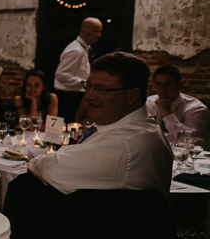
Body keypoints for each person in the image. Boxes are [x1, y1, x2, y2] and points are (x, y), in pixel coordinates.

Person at [29, 52, 172, 199]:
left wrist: (32, 161)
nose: (89, 95)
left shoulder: (121, 144)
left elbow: (50, 168)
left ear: (132, 95)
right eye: (89, 86)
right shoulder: (142, 126)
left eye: (102, 89)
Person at [146, 65, 209, 146]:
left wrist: (167, 112)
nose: (163, 89)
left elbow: (190, 140)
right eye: (158, 84)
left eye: (168, 84)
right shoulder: (147, 103)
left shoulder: (197, 109)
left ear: (180, 84)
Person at [54, 17, 102, 122]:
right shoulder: (76, 50)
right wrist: (85, 83)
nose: (99, 35)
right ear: (84, 30)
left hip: (75, 96)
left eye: (100, 31)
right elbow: (61, 75)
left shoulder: (83, 48)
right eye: (96, 31)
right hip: (69, 98)